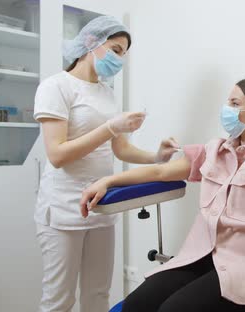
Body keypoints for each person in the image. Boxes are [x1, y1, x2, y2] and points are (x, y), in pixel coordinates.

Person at [81, 78, 245, 312]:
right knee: (136, 305)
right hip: (202, 254)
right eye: (228, 102)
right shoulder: (216, 150)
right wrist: (108, 180)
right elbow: (160, 170)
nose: (227, 109)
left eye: (235, 104)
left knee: (172, 310)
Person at [33, 16, 178, 312]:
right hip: (63, 208)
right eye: (115, 49)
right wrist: (111, 127)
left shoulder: (107, 93)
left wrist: (156, 157)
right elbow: (57, 155)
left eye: (123, 53)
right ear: (91, 43)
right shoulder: (56, 87)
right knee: (59, 299)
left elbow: (120, 149)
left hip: (102, 206)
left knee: (98, 295)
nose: (119, 58)